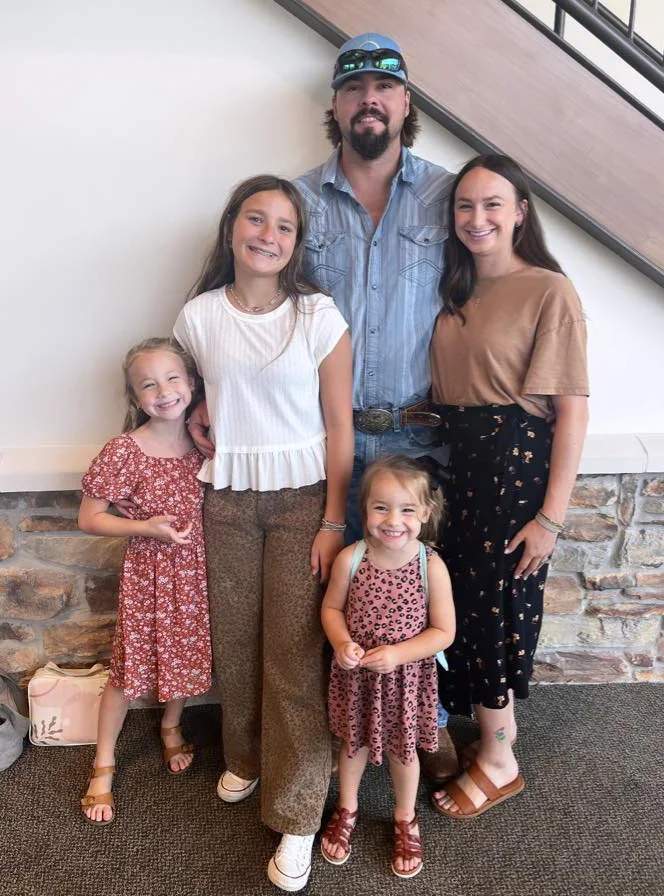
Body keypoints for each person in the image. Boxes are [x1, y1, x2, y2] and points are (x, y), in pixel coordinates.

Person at [172, 175, 353, 892]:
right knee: (238, 645)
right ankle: (245, 758)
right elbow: (189, 397)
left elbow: (340, 428)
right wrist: (192, 418)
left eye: (283, 226)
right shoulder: (197, 317)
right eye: (256, 219)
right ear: (231, 230)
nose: (268, 235)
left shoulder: (319, 315)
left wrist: (335, 520)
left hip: (303, 504)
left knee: (293, 655)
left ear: (296, 244)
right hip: (227, 502)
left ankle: (299, 810)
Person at [429, 153, 589, 819]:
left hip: (513, 466)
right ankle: (500, 737)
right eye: (465, 206)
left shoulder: (548, 289)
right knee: (466, 608)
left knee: (494, 613)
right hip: (460, 464)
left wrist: (551, 517)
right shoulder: (454, 288)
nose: (477, 218)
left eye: (493, 204)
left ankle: (500, 763)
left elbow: (573, 408)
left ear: (521, 210)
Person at [78, 337, 211, 826]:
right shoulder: (124, 450)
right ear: (136, 399)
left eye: (173, 378)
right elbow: (90, 518)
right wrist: (143, 527)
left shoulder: (205, 441)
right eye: (148, 384)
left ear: (192, 383)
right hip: (149, 575)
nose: (164, 391)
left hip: (197, 573)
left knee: (182, 653)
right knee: (128, 666)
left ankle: (171, 724)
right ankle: (103, 764)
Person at [320, 455, 455, 879]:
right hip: (357, 678)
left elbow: (443, 632)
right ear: (365, 511)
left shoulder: (430, 565)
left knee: (404, 750)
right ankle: (347, 808)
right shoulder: (351, 559)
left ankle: (404, 817)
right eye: (381, 507)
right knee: (352, 746)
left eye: (407, 509)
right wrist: (342, 641)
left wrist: (399, 653)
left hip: (407, 680)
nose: (393, 520)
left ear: (426, 514)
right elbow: (331, 609)